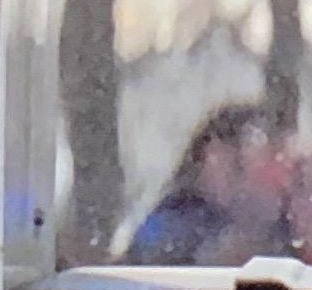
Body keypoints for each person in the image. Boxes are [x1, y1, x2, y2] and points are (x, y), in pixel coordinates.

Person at [123, 102, 289, 267]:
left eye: (241, 169)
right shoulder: (175, 219)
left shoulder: (280, 224)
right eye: (237, 167)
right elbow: (146, 266)